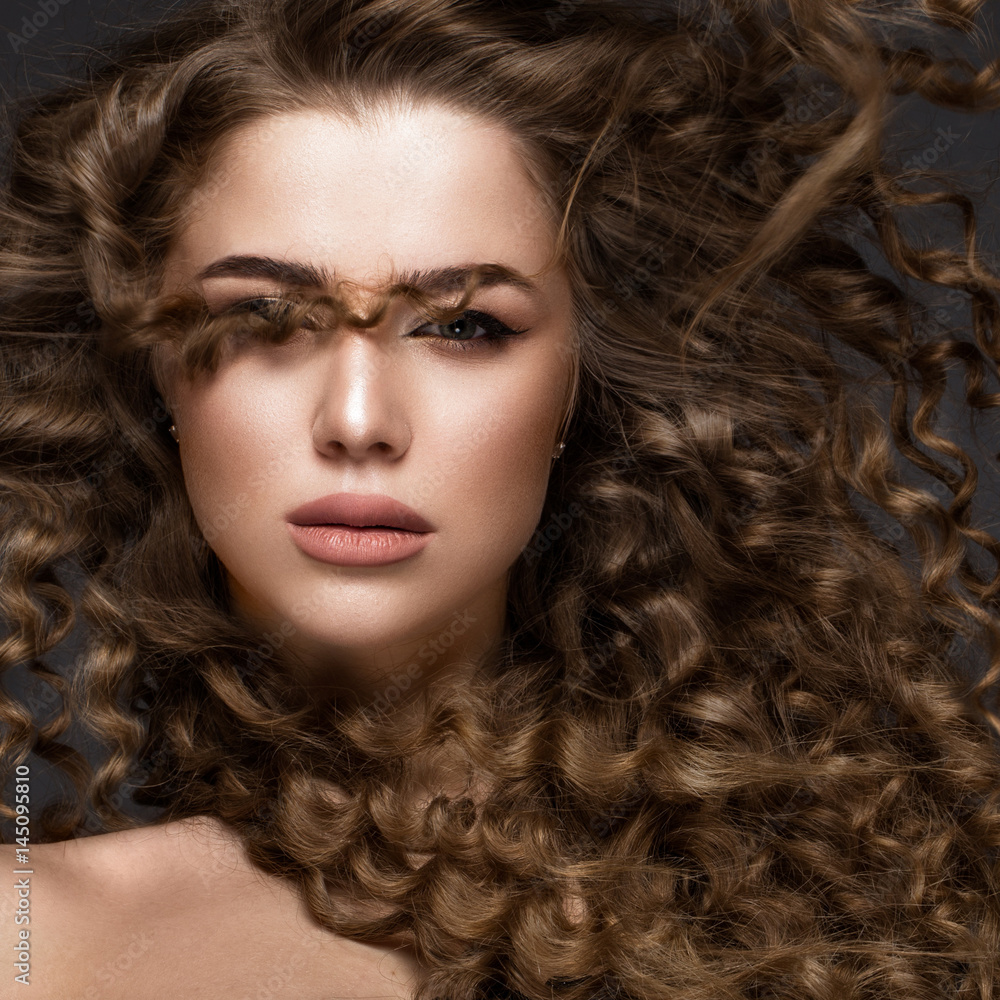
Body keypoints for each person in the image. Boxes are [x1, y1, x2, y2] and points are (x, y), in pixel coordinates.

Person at [1, 0, 999, 997]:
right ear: (157, 376)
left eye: (465, 327)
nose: (356, 419)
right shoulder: (34, 942)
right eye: (266, 318)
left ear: (578, 383)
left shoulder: (868, 906)